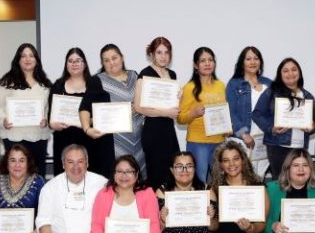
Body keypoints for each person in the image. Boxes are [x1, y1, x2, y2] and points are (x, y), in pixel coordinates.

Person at [81, 44, 145, 176]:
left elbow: (145, 99)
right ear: (103, 63)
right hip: (114, 144)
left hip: (139, 140)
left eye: (114, 58)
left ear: (122, 58)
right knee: (117, 179)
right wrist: (87, 129)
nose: (111, 62)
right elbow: (84, 108)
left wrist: (139, 107)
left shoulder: (135, 76)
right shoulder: (97, 80)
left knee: (138, 180)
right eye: (106, 60)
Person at [0, 43, 52, 176]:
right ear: (18, 60)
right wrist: (3, 120)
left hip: (38, 138)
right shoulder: (6, 83)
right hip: (14, 138)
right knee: (15, 177)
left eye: (31, 55)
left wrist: (47, 120)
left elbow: (50, 109)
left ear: (37, 60)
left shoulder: (45, 85)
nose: (28, 59)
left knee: (36, 177)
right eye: (23, 56)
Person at [49, 47, 113, 180]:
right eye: (70, 61)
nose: (74, 63)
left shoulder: (94, 84)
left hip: (90, 142)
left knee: (92, 180)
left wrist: (87, 122)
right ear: (66, 64)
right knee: (65, 181)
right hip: (64, 141)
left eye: (78, 60)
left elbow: (102, 114)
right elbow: (51, 117)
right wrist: (53, 124)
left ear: (84, 63)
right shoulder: (58, 85)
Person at [252, 58, 315, 179]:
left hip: (299, 147)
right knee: (279, 183)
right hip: (277, 147)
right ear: (280, 75)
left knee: (298, 182)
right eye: (285, 71)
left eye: (294, 70)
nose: (290, 73)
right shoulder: (271, 92)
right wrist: (271, 128)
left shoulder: (308, 96)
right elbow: (257, 114)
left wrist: (311, 128)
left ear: (300, 73)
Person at [136, 37, 181, 190]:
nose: (163, 56)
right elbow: (139, 107)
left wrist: (178, 99)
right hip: (153, 131)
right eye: (159, 52)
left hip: (169, 130)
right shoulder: (145, 74)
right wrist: (165, 112)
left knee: (172, 172)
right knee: (156, 174)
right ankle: (156, 210)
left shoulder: (172, 74)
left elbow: (172, 107)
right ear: (151, 54)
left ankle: (169, 210)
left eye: (167, 52)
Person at [178, 47, 228, 183]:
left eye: (210, 60)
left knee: (220, 181)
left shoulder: (221, 85)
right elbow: (180, 118)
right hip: (198, 142)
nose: (207, 64)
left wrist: (227, 128)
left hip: (219, 141)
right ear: (195, 65)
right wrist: (193, 113)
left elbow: (224, 112)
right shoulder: (189, 87)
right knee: (199, 181)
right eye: (203, 61)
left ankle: (216, 205)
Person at [226, 46, 271, 178]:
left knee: (259, 177)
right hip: (243, 140)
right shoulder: (234, 84)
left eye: (256, 58)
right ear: (242, 63)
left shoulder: (269, 83)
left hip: (264, 140)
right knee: (241, 178)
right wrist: (244, 134)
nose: (253, 62)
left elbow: (276, 110)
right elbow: (230, 112)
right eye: (248, 59)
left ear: (260, 62)